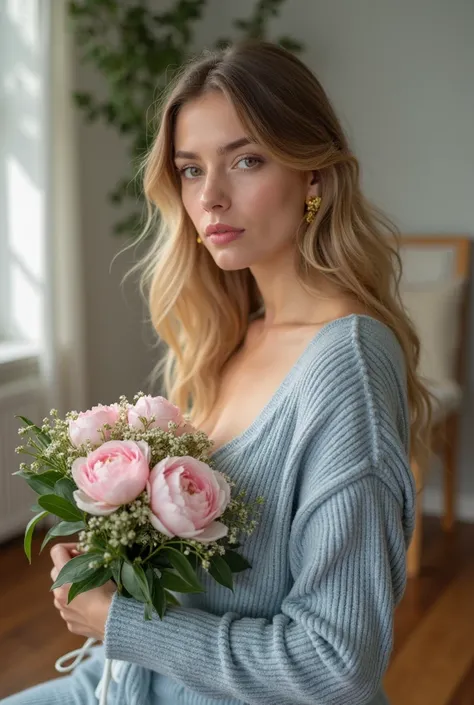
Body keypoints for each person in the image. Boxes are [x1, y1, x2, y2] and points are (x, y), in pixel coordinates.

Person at [3, 39, 432, 705]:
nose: (213, 198)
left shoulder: (345, 366)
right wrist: (115, 569)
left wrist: (122, 620)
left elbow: (336, 664)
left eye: (247, 160)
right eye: (192, 169)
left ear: (312, 176)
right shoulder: (231, 336)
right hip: (128, 682)